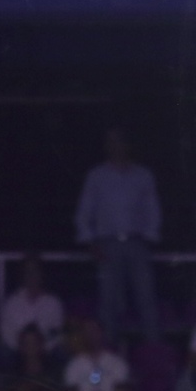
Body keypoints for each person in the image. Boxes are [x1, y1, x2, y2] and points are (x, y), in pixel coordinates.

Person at [75, 128, 161, 345]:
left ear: (128, 145)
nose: (115, 146)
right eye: (110, 141)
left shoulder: (143, 175)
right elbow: (84, 212)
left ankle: (153, 352)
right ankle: (109, 354)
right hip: (108, 245)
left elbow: (152, 210)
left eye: (119, 141)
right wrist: (90, 242)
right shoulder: (97, 176)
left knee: (146, 301)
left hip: (136, 243)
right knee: (108, 304)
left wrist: (150, 238)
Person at [0, 255, 64, 360]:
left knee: (60, 353)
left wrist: (40, 349)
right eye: (28, 271)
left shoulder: (53, 303)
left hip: (45, 352)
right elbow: (6, 334)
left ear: (42, 273)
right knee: (4, 353)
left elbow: (56, 333)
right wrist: (24, 349)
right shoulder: (12, 303)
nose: (32, 275)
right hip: (18, 352)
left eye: (35, 271)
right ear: (23, 274)